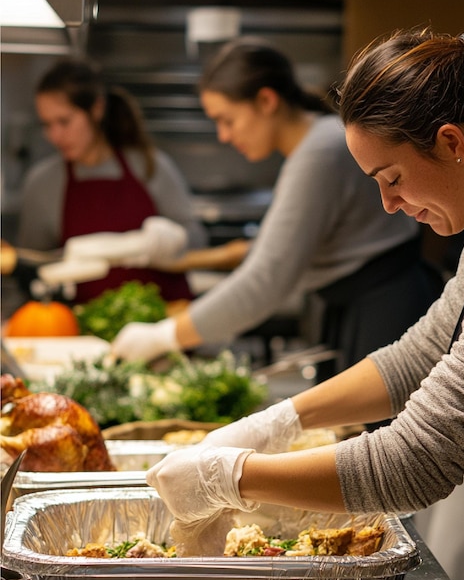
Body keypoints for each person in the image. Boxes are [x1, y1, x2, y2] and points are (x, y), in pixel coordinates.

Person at [145, 25, 464, 580]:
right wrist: (280, 421)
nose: (388, 204)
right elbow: (421, 355)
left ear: (452, 143)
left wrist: (233, 477)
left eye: (392, 178)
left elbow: (414, 463)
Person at [111, 37, 443, 380]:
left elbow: (264, 281)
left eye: (227, 120)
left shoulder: (319, 152)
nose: (223, 136)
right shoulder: (315, 144)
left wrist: (162, 336)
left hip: (385, 311)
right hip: (368, 306)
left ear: (266, 100)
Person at [16, 57, 207, 303]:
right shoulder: (42, 184)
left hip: (165, 321)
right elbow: (34, 267)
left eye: (64, 121)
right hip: (84, 331)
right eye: (47, 124)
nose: (55, 136)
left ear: (96, 109)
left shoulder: (151, 165)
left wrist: (172, 241)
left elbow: (198, 241)